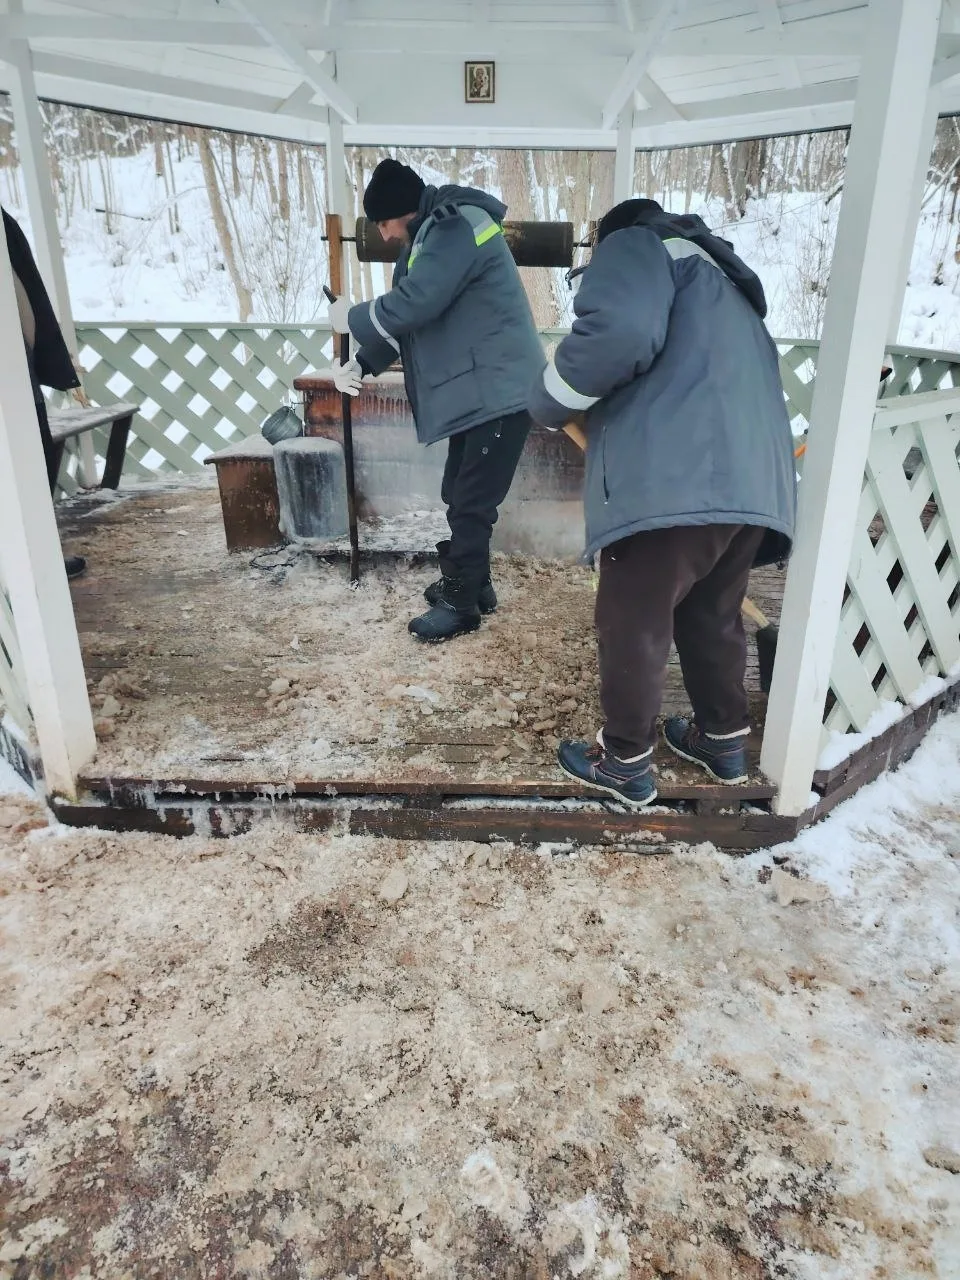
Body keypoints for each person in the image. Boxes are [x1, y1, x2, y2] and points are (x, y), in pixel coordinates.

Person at [528, 198, 797, 807]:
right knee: (712, 613)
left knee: (633, 621)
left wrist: (548, 398)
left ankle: (625, 761)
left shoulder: (637, 244)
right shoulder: (723, 281)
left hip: (673, 478)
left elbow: (620, 333)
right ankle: (722, 741)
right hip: (751, 482)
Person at [327, 158, 543, 642]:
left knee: (471, 501)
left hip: (501, 388)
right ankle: (475, 585)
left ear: (401, 212)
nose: (383, 235)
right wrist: (361, 362)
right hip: (483, 389)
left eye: (382, 223)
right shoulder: (430, 237)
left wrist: (352, 318)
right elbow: (414, 318)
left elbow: (416, 302)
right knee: (458, 491)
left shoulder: (455, 227)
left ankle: (461, 605)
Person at [3, 206, 86, 579]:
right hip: (16, 371)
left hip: (21, 372)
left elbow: (26, 298)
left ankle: (41, 556)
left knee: (38, 459)